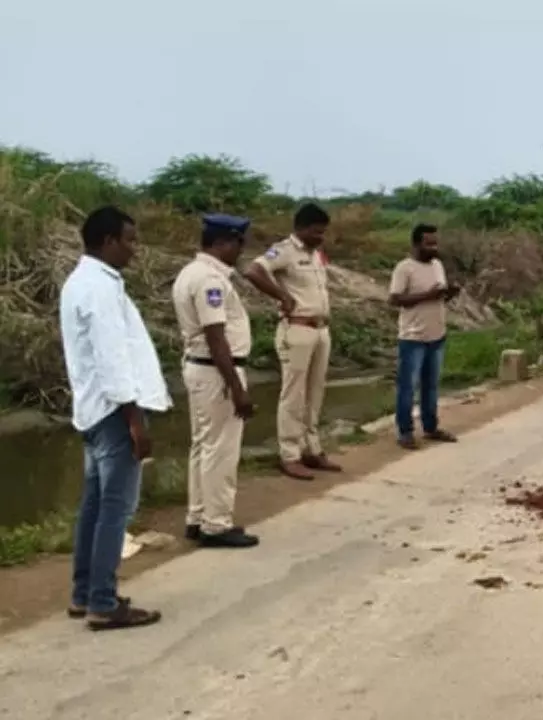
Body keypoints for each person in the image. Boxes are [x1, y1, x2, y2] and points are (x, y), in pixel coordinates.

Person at [59, 206, 169, 631]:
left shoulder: (80, 282)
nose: (135, 249)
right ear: (108, 241)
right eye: (130, 240)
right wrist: (134, 419)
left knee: (93, 506)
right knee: (114, 510)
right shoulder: (100, 289)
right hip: (113, 412)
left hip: (92, 410)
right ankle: (102, 602)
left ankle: (84, 593)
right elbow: (112, 357)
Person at [171, 214, 259, 548]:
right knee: (220, 450)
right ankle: (216, 523)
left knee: (203, 446)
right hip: (217, 369)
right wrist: (237, 387)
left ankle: (197, 517)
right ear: (222, 242)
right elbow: (216, 336)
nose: (240, 250)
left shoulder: (190, 273)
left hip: (202, 368)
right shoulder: (209, 280)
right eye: (238, 244)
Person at [244, 203, 342, 481]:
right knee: (293, 395)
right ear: (300, 228)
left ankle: (312, 448)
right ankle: (290, 454)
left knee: (315, 393)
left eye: (323, 232)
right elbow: (254, 270)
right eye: (316, 231)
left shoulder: (316, 254)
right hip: (297, 329)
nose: (320, 237)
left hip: (321, 329)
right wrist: (281, 296)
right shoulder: (284, 251)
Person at [388, 224, 460, 449]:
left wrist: (449, 294)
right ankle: (405, 431)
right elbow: (395, 299)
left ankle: (430, 427)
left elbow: (438, 299)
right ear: (417, 244)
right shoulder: (404, 268)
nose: (434, 247)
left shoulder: (438, 265)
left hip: (436, 334)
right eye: (429, 243)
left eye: (435, 242)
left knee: (431, 386)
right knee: (408, 386)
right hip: (413, 337)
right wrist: (429, 295)